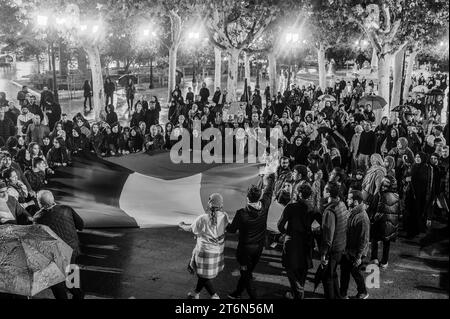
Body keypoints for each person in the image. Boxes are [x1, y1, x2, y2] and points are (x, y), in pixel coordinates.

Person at [227, 172, 275, 299]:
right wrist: (271, 179)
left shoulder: (241, 213)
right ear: (259, 197)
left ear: (247, 198)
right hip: (258, 249)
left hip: (245, 252)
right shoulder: (264, 206)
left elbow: (231, 230)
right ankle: (237, 293)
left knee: (246, 274)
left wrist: (223, 221)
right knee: (247, 273)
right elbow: (269, 192)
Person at [33, 190, 85, 299]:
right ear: (53, 199)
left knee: (56, 282)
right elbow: (81, 225)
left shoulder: (38, 218)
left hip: (54, 254)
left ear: (40, 203)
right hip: (72, 250)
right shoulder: (67, 209)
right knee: (70, 274)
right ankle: (78, 295)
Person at [179, 193, 228, 299]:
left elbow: (192, 229)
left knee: (203, 276)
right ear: (221, 205)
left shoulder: (203, 218)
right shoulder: (225, 217)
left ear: (209, 204)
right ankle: (195, 294)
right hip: (217, 251)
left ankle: (214, 296)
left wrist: (181, 225)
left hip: (204, 252)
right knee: (203, 275)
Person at [277, 183, 314, 299]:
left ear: (299, 194)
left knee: (291, 270)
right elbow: (317, 228)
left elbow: (280, 225)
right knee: (302, 271)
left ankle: (298, 293)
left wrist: (285, 233)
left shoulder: (291, 207)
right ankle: (296, 293)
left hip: (291, 242)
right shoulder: (314, 209)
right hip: (307, 244)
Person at [320, 181, 349, 300]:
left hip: (332, 249)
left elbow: (328, 236)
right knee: (333, 274)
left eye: (324, 190)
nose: (322, 192)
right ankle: (338, 295)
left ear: (328, 193)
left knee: (327, 277)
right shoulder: (341, 204)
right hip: (341, 245)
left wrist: (323, 254)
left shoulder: (330, 211)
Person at [340, 190, 370, 299]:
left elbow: (364, 239)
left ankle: (363, 292)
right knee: (344, 271)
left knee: (355, 272)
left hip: (356, 251)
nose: (347, 200)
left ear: (356, 202)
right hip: (348, 249)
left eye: (349, 198)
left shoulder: (362, 217)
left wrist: (359, 256)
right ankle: (342, 293)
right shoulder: (352, 211)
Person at [370, 175, 400, 269]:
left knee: (375, 240)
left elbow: (373, 208)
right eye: (382, 185)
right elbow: (399, 210)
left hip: (379, 222)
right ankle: (384, 261)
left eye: (385, 186)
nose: (383, 187)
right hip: (390, 224)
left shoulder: (379, 195)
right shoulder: (396, 196)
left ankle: (374, 258)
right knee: (387, 242)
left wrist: (372, 219)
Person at [405, 152, 434, 238]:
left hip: (420, 195)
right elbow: (406, 176)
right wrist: (406, 179)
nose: (417, 158)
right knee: (410, 212)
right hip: (411, 194)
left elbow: (425, 181)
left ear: (423, 158)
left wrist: (412, 179)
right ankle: (410, 230)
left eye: (419, 157)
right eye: (416, 157)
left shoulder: (426, 168)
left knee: (417, 212)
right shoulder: (413, 166)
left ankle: (414, 231)